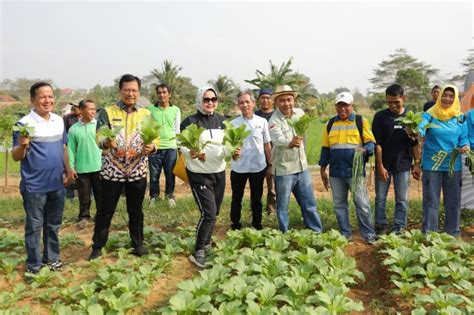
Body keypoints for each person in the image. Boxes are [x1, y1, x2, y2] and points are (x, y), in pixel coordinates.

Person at [88, 74, 159, 260]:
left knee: (136, 211)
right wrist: (106, 142)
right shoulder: (107, 112)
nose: (130, 93)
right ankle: (97, 246)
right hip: (113, 171)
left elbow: (155, 137)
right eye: (127, 90)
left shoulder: (146, 114)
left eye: (134, 90)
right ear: (120, 91)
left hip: (137, 171)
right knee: (105, 210)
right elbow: (99, 136)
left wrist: (152, 147)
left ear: (139, 92)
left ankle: (138, 244)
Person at [12, 82, 72, 274]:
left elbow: (64, 147)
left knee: (53, 224)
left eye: (50, 96)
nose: (48, 100)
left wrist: (69, 171)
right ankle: (34, 265)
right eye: (42, 96)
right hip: (35, 186)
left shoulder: (59, 120)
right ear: (32, 100)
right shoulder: (23, 124)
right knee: (34, 227)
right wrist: (22, 145)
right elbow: (15, 156)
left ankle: (52, 259)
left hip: (57, 183)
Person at [319, 91, 377, 244]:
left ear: (352, 106)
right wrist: (322, 169)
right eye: (339, 106)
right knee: (339, 205)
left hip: (355, 172)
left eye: (346, 106)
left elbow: (371, 143)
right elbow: (326, 148)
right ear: (336, 107)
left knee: (362, 203)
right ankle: (345, 234)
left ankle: (368, 234)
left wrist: (366, 149)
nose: (342, 109)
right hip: (336, 172)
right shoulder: (330, 124)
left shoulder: (360, 121)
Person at [180, 86, 227, 268]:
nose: (209, 103)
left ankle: (207, 243)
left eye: (213, 99)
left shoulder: (222, 121)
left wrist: (234, 150)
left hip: (219, 171)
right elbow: (181, 144)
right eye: (206, 99)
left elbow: (227, 144)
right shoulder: (190, 121)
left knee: (215, 211)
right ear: (200, 101)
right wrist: (188, 151)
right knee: (208, 213)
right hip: (199, 174)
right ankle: (198, 250)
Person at [268, 85, 323, 233]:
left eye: (289, 99)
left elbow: (304, 128)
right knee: (283, 207)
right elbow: (277, 139)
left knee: (309, 203)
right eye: (282, 101)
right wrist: (289, 143)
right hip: (284, 170)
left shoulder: (299, 113)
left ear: (294, 100)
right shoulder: (274, 120)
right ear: (276, 103)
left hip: (302, 167)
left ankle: (316, 232)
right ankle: (284, 236)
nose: (286, 103)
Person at [416, 85, 468, 236]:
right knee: (431, 201)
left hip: (453, 165)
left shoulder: (460, 118)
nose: (447, 99)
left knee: (453, 201)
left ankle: (452, 233)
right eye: (445, 95)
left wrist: (464, 145)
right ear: (439, 97)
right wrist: (416, 131)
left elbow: (464, 137)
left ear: (456, 98)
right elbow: (421, 128)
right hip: (433, 164)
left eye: (451, 96)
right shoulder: (429, 115)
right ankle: (429, 234)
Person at [372, 84, 421, 235]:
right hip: (384, 164)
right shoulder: (380, 117)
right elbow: (377, 144)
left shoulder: (410, 118)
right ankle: (381, 226)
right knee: (380, 198)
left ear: (403, 99)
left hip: (403, 165)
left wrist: (417, 164)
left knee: (402, 199)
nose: (393, 105)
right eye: (389, 102)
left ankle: (399, 228)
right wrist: (380, 166)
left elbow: (415, 143)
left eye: (396, 102)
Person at [229, 90, 272, 230]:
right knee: (236, 198)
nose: (245, 105)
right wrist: (232, 152)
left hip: (258, 166)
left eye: (247, 102)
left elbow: (266, 144)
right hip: (238, 167)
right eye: (241, 102)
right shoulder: (233, 123)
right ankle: (235, 224)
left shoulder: (262, 122)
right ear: (238, 105)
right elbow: (228, 145)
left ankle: (257, 225)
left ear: (253, 104)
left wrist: (270, 164)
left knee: (257, 199)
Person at [67, 99, 103, 229]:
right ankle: (84, 217)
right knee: (84, 196)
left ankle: (101, 216)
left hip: (99, 167)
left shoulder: (100, 126)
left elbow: (107, 147)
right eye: (90, 109)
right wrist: (71, 167)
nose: (93, 111)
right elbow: (70, 150)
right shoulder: (73, 129)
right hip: (82, 167)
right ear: (81, 111)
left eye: (94, 109)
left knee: (101, 194)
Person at [147, 83, 181, 208]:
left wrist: (179, 147)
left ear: (169, 94)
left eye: (164, 92)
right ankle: (154, 197)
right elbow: (148, 127)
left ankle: (170, 196)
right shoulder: (150, 109)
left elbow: (177, 130)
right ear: (157, 95)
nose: (162, 95)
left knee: (170, 174)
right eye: (159, 92)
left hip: (171, 147)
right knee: (154, 174)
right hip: (155, 147)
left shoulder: (175, 110)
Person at [255, 88, 277, 214]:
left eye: (268, 98)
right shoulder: (254, 116)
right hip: (257, 155)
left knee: (272, 186)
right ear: (259, 100)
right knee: (256, 186)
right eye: (262, 98)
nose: (265, 100)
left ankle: (271, 211)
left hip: (273, 154)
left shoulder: (276, 116)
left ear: (272, 100)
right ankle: (256, 211)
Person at [64, 102, 81, 199]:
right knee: (70, 169)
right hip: (71, 148)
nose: (75, 108)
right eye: (74, 106)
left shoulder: (88, 117)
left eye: (77, 106)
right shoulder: (67, 118)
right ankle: (69, 195)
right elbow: (64, 133)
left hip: (83, 149)